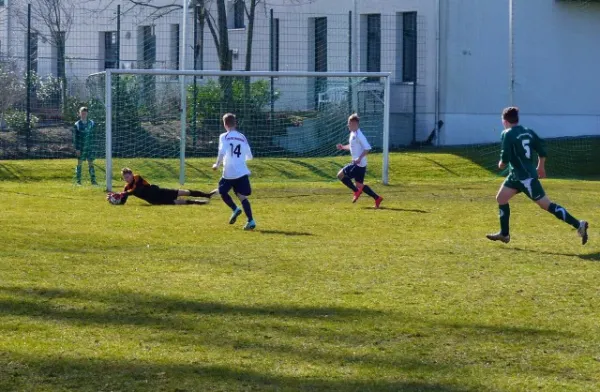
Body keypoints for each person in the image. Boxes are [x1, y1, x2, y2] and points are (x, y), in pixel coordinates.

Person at [486, 107, 589, 245]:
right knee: (501, 198)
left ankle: (579, 224)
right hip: (516, 176)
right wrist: (541, 166)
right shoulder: (528, 131)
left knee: (547, 205)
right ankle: (504, 234)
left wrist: (501, 164)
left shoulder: (507, 133)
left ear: (504, 121)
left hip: (525, 178)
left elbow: (505, 157)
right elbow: (542, 148)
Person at [212, 113, 256, 230]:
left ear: (225, 124)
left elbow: (222, 152)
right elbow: (249, 156)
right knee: (242, 196)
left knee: (222, 191)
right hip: (242, 172)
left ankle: (235, 209)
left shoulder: (224, 136)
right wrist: (240, 160)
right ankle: (251, 221)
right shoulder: (242, 136)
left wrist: (217, 164)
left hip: (229, 173)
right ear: (235, 123)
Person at [336, 113, 383, 208]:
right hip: (361, 165)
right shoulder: (352, 134)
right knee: (359, 184)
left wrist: (359, 158)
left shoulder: (359, 135)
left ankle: (356, 191)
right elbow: (352, 146)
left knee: (340, 175)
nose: (348, 125)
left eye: (349, 123)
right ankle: (377, 198)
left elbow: (367, 148)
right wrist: (343, 147)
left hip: (358, 164)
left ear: (354, 123)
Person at [106, 167, 216, 205]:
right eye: (125, 178)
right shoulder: (126, 188)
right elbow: (124, 200)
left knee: (184, 192)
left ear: (131, 174)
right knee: (179, 202)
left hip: (159, 191)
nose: (127, 179)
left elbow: (136, 190)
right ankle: (198, 202)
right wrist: (115, 200)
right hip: (154, 200)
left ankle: (207, 195)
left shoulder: (137, 178)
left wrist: (121, 194)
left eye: (128, 176)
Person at [73, 106, 97, 185]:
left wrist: (94, 146)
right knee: (79, 163)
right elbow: (75, 138)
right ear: (79, 114)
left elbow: (94, 135)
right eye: (82, 113)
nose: (83, 114)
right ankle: (78, 181)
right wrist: (77, 149)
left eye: (85, 113)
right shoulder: (77, 124)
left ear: (87, 114)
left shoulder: (92, 123)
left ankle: (93, 181)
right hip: (81, 147)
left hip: (89, 147)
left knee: (91, 163)